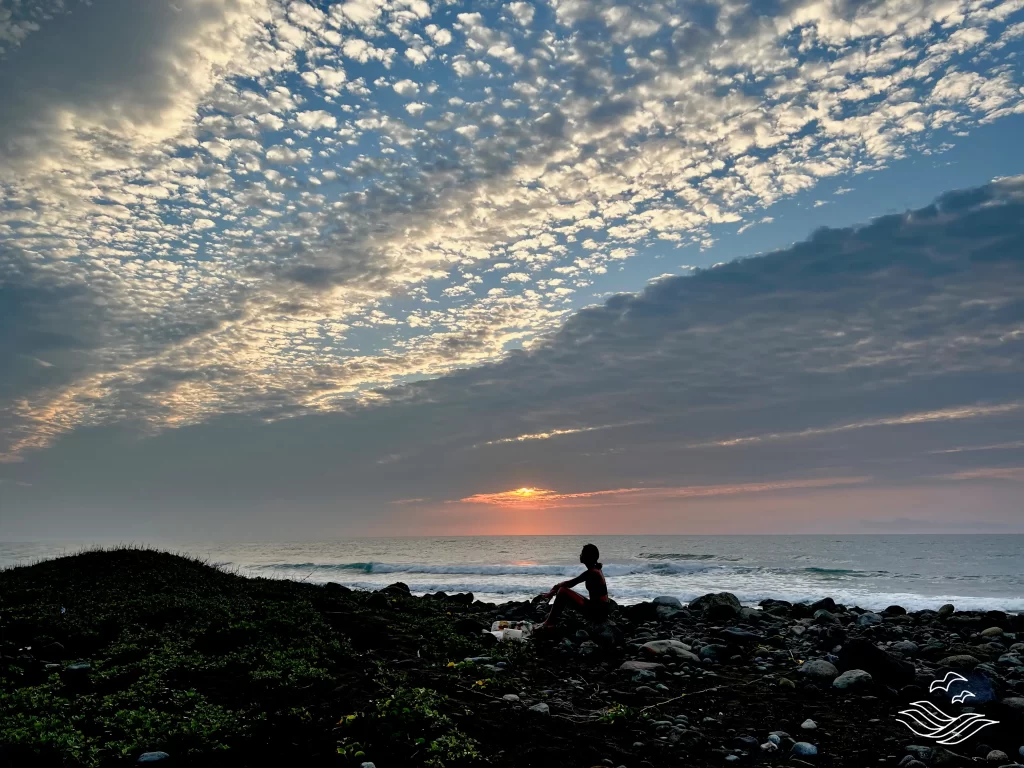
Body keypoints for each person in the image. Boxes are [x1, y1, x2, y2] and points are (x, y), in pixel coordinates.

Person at [536, 543, 609, 630]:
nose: (580, 555)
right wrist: (552, 591)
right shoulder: (595, 570)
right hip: (599, 609)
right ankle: (550, 621)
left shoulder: (593, 572)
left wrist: (552, 592)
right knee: (563, 590)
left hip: (598, 612)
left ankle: (549, 623)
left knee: (563, 591)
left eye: (582, 553)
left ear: (588, 557)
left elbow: (569, 584)